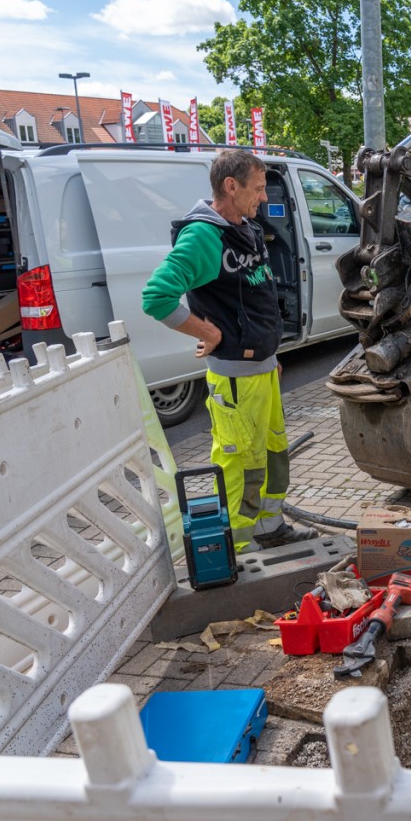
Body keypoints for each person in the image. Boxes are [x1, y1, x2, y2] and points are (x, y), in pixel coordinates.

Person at [142, 150, 316, 553]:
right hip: (235, 379)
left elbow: (254, 297)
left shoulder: (246, 228)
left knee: (272, 453)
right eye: (256, 189)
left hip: (261, 371)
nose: (262, 197)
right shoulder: (203, 236)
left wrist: (271, 355)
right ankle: (237, 550)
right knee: (241, 464)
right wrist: (205, 331)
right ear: (230, 186)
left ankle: (269, 527)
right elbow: (156, 297)